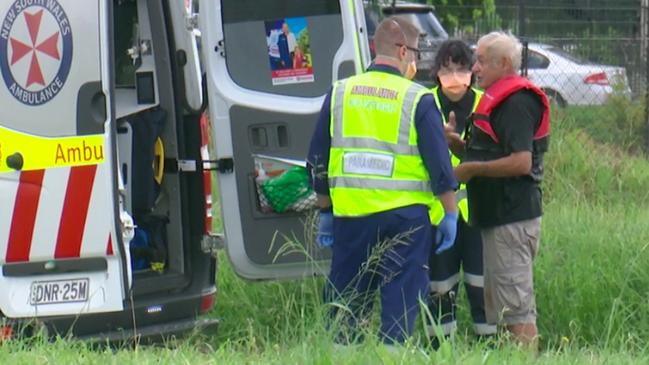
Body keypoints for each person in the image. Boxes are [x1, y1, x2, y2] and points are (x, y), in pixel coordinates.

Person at [307, 16, 459, 345]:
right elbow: (440, 165)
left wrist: (324, 211)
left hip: (352, 217)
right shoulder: (417, 98)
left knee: (346, 297)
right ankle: (392, 356)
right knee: (401, 298)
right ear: (403, 50)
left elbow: (317, 158)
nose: (416, 59)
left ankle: (341, 355)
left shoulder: (339, 93)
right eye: (416, 51)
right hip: (406, 220)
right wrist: (450, 213)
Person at [452, 31, 550, 349]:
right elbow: (493, 152)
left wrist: (471, 170)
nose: (475, 68)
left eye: (481, 61)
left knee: (518, 312)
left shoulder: (517, 102)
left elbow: (521, 162)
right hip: (498, 218)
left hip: (512, 218)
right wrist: (457, 145)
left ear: (504, 63)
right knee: (506, 312)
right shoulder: (496, 98)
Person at [425, 40, 497, 346]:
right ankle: (439, 350)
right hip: (436, 213)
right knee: (440, 289)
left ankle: (490, 349)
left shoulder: (487, 103)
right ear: (436, 72)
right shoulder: (423, 103)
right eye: (447, 69)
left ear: (471, 71)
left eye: (461, 69)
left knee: (483, 287)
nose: (454, 76)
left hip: (480, 213)